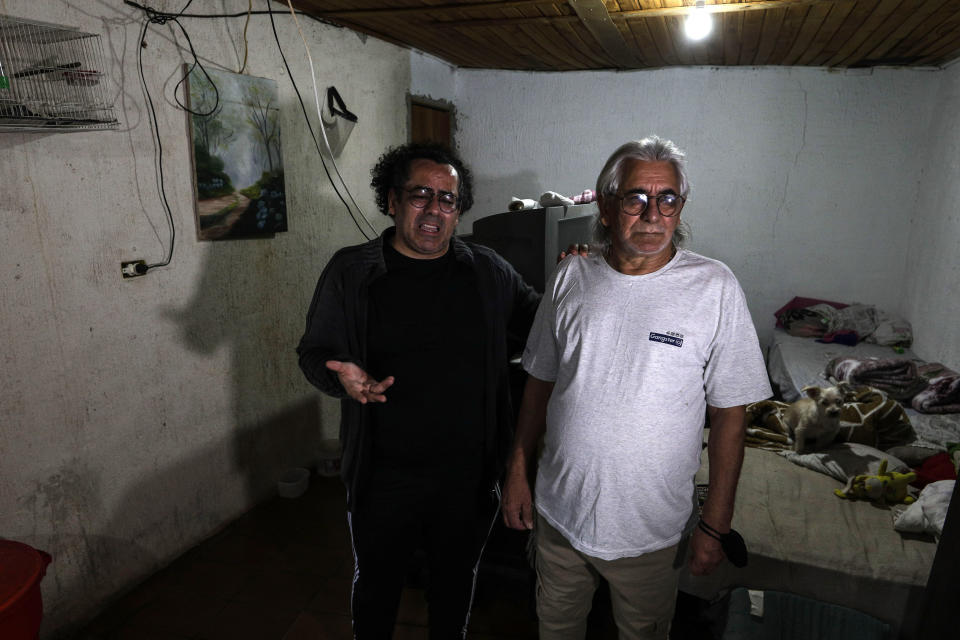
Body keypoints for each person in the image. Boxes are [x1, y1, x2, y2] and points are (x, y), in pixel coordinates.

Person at [502, 136, 772, 639]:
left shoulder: (714, 287)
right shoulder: (570, 277)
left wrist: (715, 523)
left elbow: (731, 414)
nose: (653, 213)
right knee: (555, 629)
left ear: (680, 207)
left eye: (667, 198)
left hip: (650, 534)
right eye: (636, 198)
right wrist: (518, 471)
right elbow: (538, 382)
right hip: (560, 518)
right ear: (606, 207)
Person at [297, 142, 540, 639]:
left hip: (467, 479)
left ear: (458, 208)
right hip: (383, 477)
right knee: (377, 589)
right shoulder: (352, 272)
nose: (434, 209)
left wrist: (579, 280)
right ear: (391, 200)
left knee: (454, 589)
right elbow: (314, 352)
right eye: (420, 195)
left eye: (447, 198)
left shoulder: (487, 272)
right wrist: (338, 374)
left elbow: (541, 322)